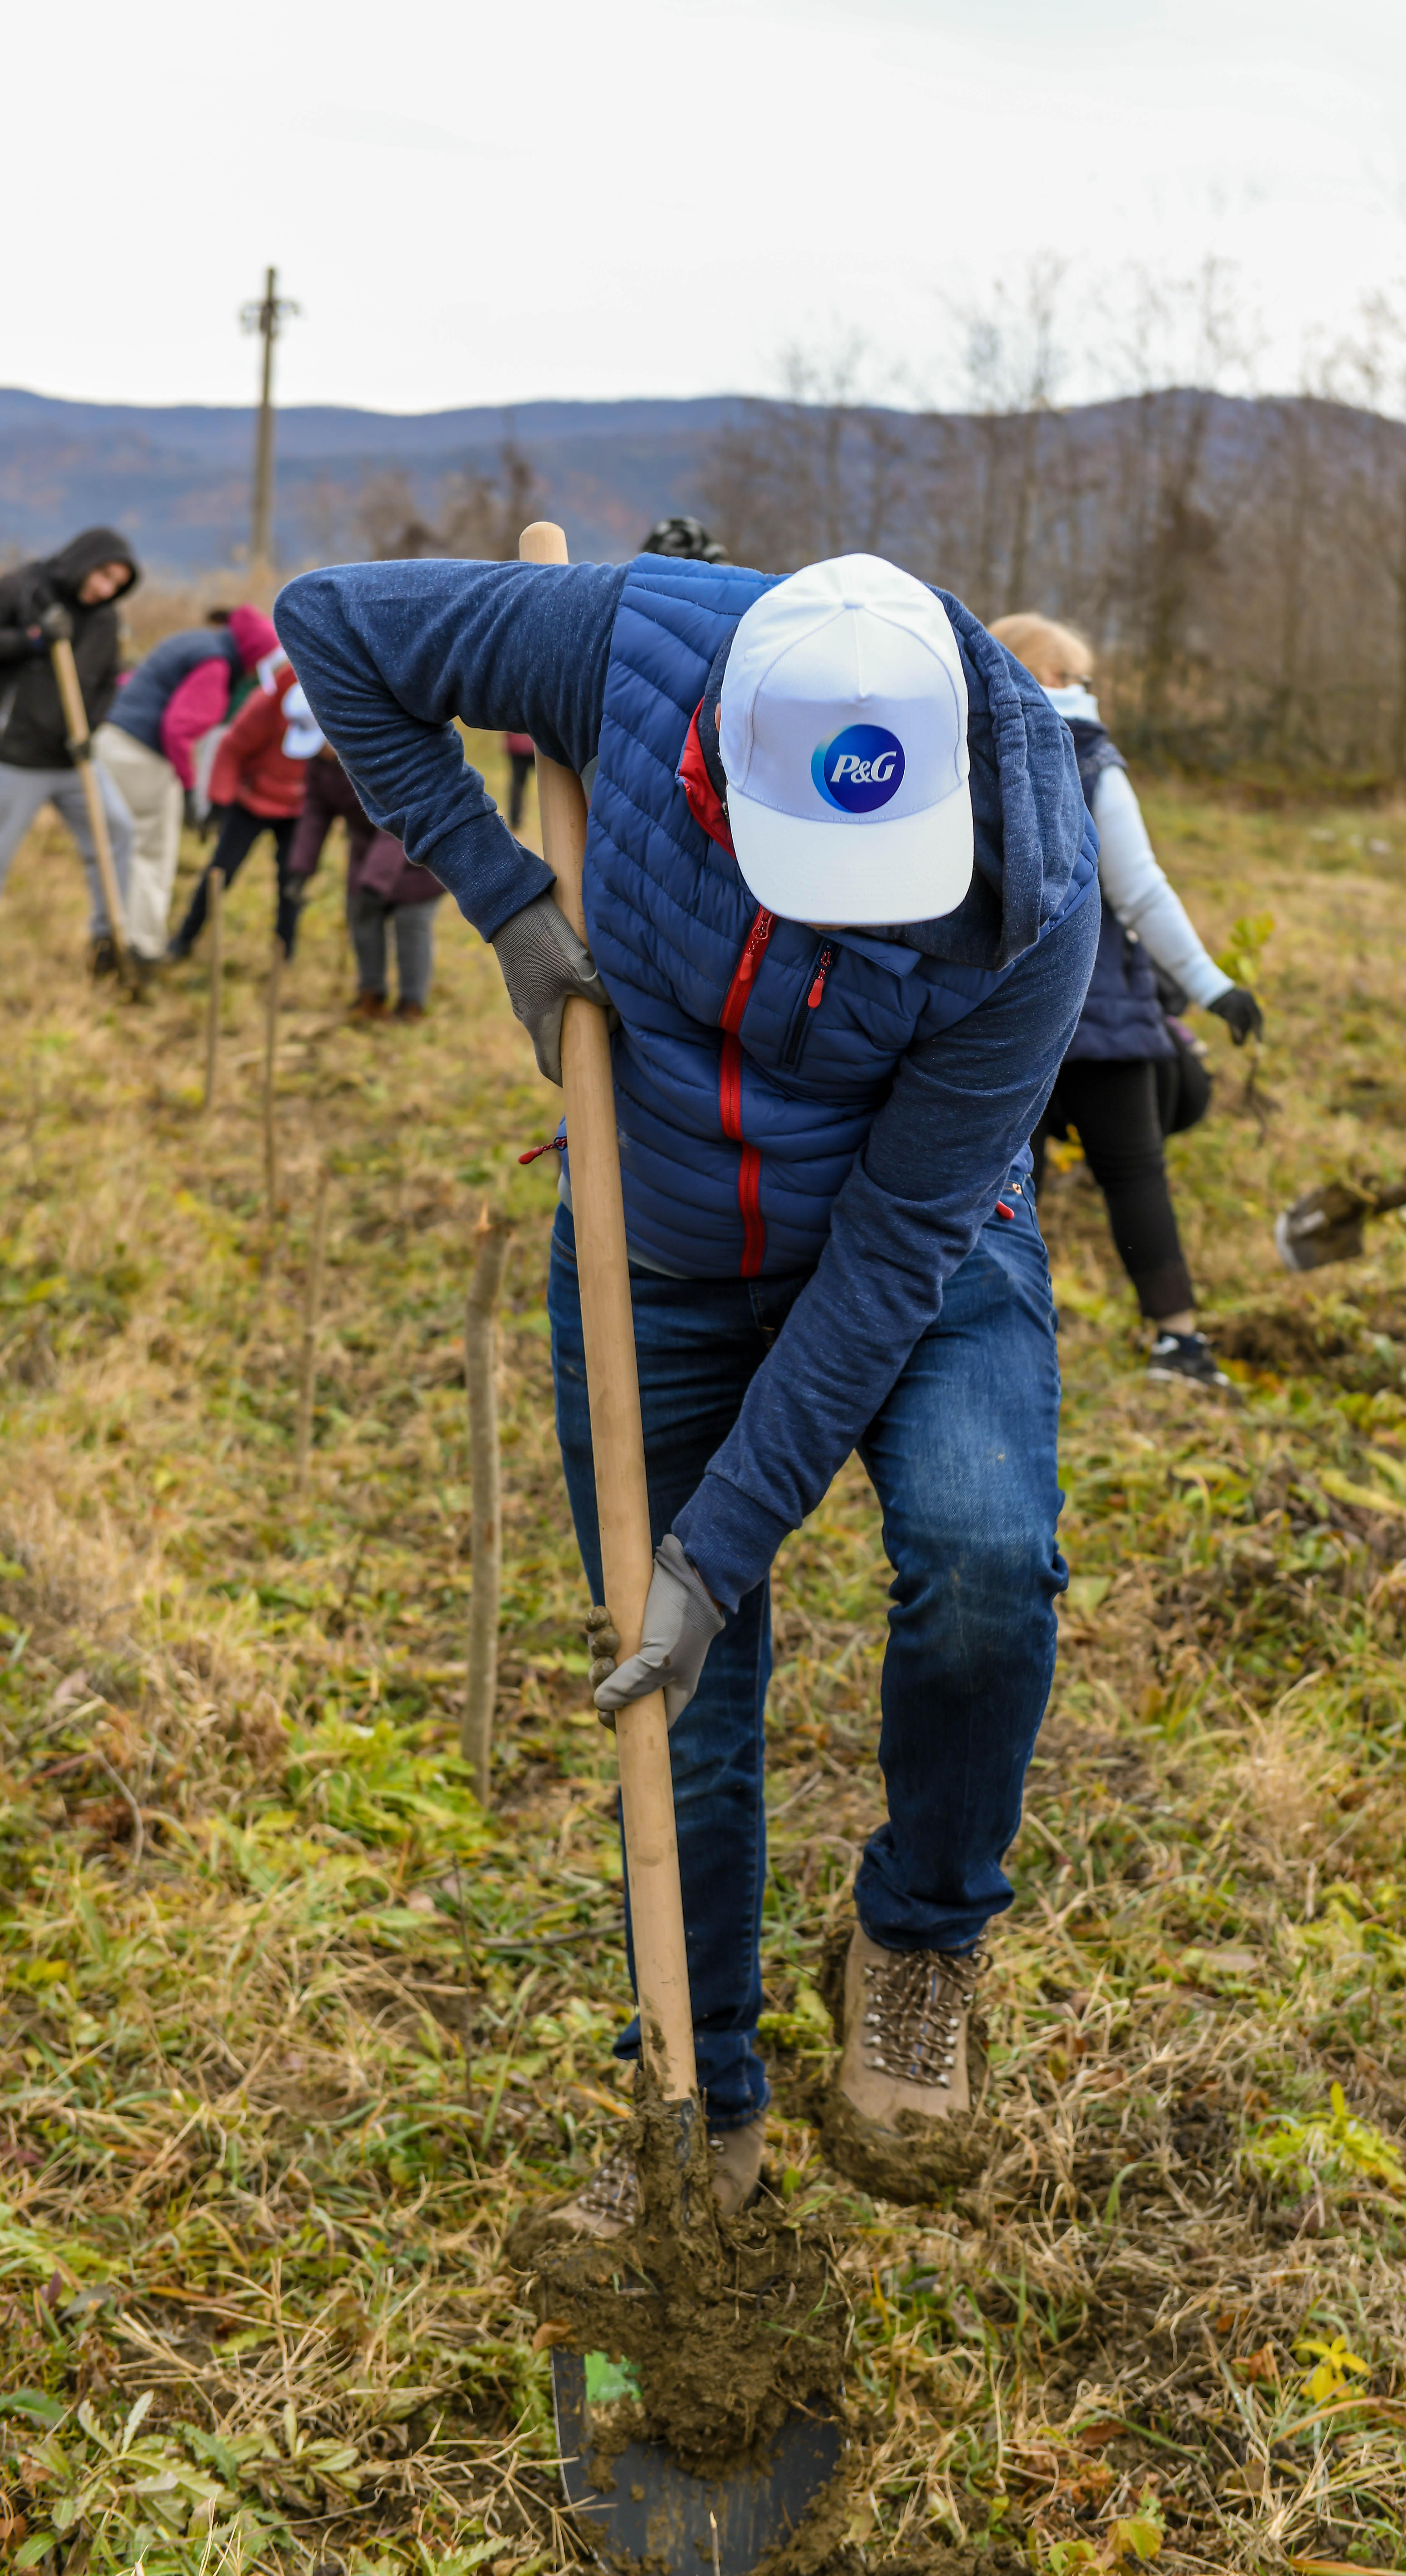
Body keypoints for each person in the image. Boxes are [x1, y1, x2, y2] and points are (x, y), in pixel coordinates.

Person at [276, 543, 1099, 2216]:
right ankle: (703, 2103)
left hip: (915, 1250)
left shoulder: (1038, 891)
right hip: (654, 1250)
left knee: (984, 1564)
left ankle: (917, 1938)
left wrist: (722, 1550)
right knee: (682, 1699)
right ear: (715, 750)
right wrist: (500, 897)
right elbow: (333, 630)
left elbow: (891, 1258)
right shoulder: (627, 646)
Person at [989, 613, 1262, 1389]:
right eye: (1071, 675)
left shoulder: (964, 754)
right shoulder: (1090, 760)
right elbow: (1138, 889)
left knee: (1009, 1183)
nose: (1086, 692)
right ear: (1034, 677)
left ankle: (1006, 1335)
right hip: (1098, 1008)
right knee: (1134, 1174)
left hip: (998, 1015)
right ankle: (1178, 1342)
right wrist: (1212, 986)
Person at [94, 603, 279, 967]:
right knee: (152, 854)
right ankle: (142, 947)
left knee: (120, 849)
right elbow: (179, 730)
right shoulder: (216, 666)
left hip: (113, 744)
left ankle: (109, 937)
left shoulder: (194, 642)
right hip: (143, 758)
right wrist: (189, 787)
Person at [0, 528, 139, 973]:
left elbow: (106, 682)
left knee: (117, 830)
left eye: (116, 584)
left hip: (74, 758)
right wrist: (34, 639)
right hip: (16, 755)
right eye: (102, 575)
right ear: (86, 559)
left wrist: (90, 732)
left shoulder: (106, 619)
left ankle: (109, 940)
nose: (105, 589)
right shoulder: (25, 590)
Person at [286, 692, 445, 1020]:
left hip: (417, 850)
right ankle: (371, 995)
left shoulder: (383, 751)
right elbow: (316, 812)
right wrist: (301, 867)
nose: (317, 753)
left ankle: (411, 1004)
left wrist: (375, 879)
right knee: (363, 917)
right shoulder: (321, 764)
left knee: (410, 924)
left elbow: (400, 817)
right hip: (366, 851)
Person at [170, 653, 307, 961]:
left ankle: (285, 951)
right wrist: (220, 801)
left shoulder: (340, 707)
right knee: (221, 872)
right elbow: (231, 749)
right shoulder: (265, 705)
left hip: (298, 808)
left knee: (292, 880)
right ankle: (185, 939)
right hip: (251, 801)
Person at [505, 732, 535, 830]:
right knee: (549, 785)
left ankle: (515, 820)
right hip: (536, 745)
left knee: (517, 784)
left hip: (518, 745)